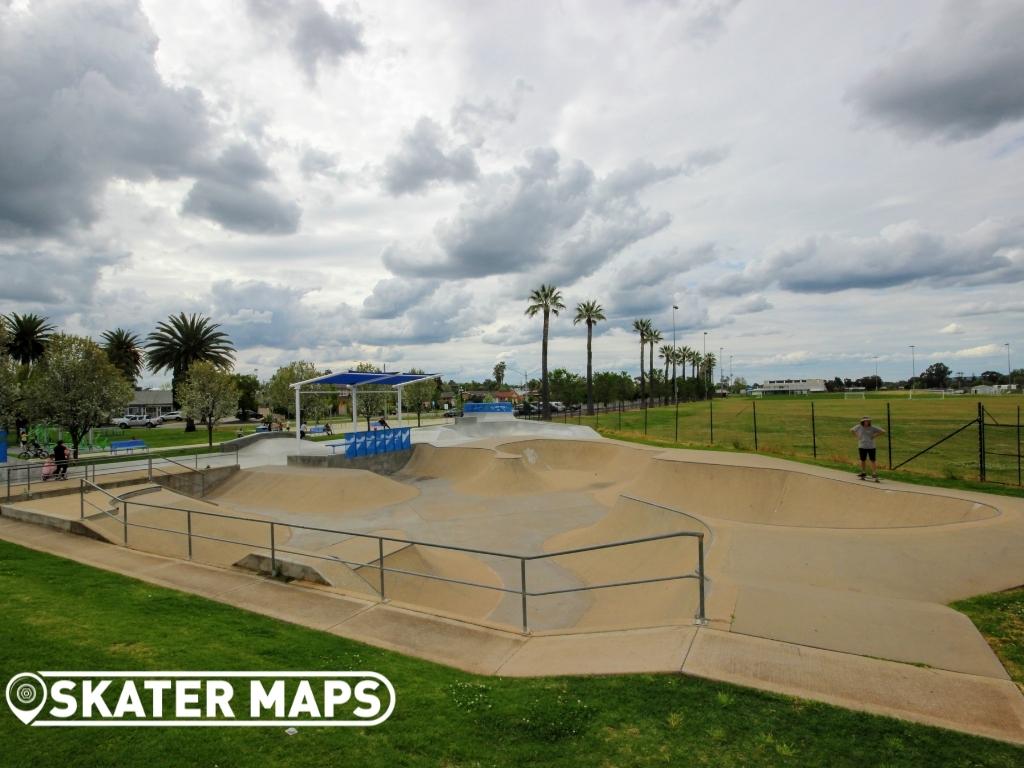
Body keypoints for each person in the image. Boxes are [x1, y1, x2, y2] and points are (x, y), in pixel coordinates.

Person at [850, 416, 885, 481]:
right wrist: (857, 436)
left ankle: (874, 473)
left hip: (871, 446)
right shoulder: (859, 426)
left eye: (868, 421)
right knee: (863, 460)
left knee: (873, 460)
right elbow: (851, 430)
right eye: (866, 421)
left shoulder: (873, 427)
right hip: (862, 446)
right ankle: (863, 472)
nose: (867, 422)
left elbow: (883, 431)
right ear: (862, 422)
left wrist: (875, 435)